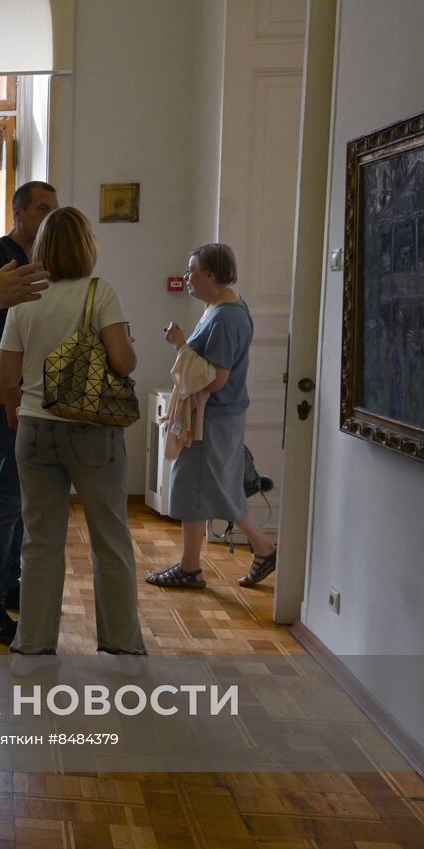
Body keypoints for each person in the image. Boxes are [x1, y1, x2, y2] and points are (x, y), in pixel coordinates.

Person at [0, 207, 147, 660]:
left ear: (42, 249)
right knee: (110, 539)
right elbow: (124, 363)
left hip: (35, 428)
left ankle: (35, 640)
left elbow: (5, 372)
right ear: (87, 247)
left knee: (39, 540)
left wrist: (23, 399)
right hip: (92, 430)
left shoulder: (24, 300)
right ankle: (120, 642)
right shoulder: (101, 292)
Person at [147, 243, 278, 589]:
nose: (187, 277)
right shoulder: (224, 309)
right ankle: (255, 551)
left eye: (193, 271)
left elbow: (217, 379)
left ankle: (195, 567)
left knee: (200, 487)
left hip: (213, 417)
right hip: (220, 415)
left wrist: (179, 345)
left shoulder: (224, 317)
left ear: (211, 275)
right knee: (216, 487)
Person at [0, 180, 59, 644]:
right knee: (6, 497)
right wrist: (12, 394)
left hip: (35, 396)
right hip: (9, 398)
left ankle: (8, 583)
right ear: (17, 211)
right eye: (42, 208)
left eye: (54, 209)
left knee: (20, 497)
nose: (48, 217)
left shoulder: (44, 265)